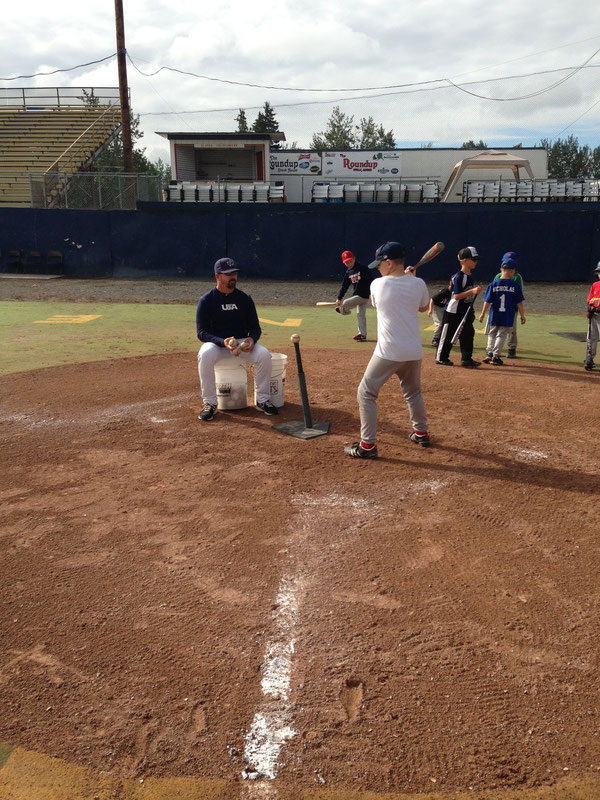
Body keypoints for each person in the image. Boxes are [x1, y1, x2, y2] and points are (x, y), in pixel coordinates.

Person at [344, 241, 431, 460]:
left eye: (381, 264)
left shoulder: (378, 285)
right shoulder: (418, 283)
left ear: (389, 263)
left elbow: (376, 302)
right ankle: (421, 432)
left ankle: (368, 445)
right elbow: (422, 307)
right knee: (413, 392)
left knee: (366, 393)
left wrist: (407, 279)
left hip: (388, 352)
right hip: (413, 351)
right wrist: (410, 279)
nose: (378, 268)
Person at [196, 257, 278, 421]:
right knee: (204, 354)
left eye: (234, 273)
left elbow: (255, 327)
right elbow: (201, 332)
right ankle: (210, 403)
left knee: (264, 355)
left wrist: (251, 340)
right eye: (228, 274)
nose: (233, 277)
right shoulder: (207, 300)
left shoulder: (244, 299)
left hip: (241, 343)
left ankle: (262, 400)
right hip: (217, 344)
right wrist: (222, 342)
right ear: (217, 276)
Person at [435, 246, 482, 367]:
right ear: (465, 260)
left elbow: (466, 297)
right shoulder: (459, 276)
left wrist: (470, 308)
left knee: (468, 334)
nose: (476, 262)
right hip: (453, 312)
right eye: (473, 259)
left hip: (464, 311)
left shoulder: (469, 276)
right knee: (447, 335)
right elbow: (456, 296)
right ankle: (441, 357)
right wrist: (472, 292)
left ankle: (466, 359)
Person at [478, 256, 526, 365]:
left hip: (494, 315)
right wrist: (522, 315)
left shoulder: (494, 284)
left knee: (492, 334)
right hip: (507, 315)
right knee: (501, 335)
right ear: (513, 271)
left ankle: (489, 352)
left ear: (501, 270)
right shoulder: (514, 285)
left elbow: (487, 301)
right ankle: (495, 356)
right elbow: (519, 302)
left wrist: (482, 314)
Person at [335, 250, 375, 341]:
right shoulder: (349, 272)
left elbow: (372, 281)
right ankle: (362, 335)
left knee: (346, 303)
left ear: (354, 259)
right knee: (360, 315)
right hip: (358, 296)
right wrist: (339, 298)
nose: (349, 263)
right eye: (346, 262)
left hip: (364, 295)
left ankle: (345, 311)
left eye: (350, 261)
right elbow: (344, 286)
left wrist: (372, 293)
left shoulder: (362, 268)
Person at [584, 262, 600, 370]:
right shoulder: (595, 285)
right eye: (599, 272)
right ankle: (589, 359)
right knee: (591, 338)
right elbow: (589, 300)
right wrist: (589, 309)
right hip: (594, 316)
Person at [428, 279, 452, 347]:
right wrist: (430, 310)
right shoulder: (445, 291)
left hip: (444, 308)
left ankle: (442, 339)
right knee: (440, 324)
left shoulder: (454, 291)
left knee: (446, 323)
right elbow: (432, 299)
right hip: (436, 307)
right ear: (450, 283)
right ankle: (435, 340)